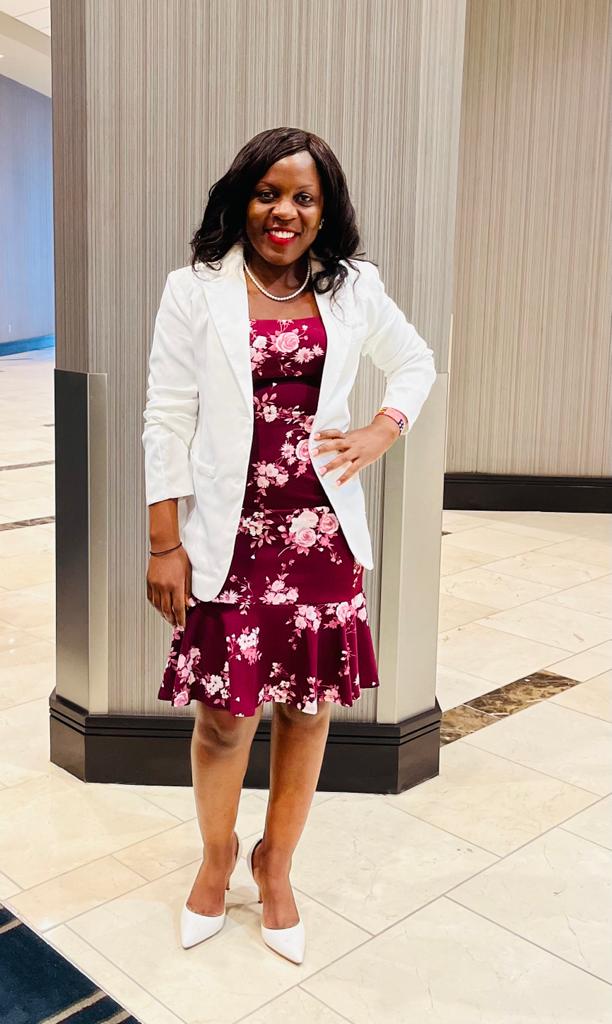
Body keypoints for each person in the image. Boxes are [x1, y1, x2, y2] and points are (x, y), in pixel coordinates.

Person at [141, 127, 437, 964]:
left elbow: (414, 362)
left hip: (319, 533)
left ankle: (278, 868)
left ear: (324, 210)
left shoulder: (352, 288)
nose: (285, 211)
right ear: (242, 198)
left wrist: (383, 429)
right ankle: (215, 859)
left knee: (308, 713)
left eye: (304, 197)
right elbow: (166, 417)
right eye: (270, 193)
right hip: (228, 540)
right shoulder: (194, 290)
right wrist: (165, 542)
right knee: (225, 720)